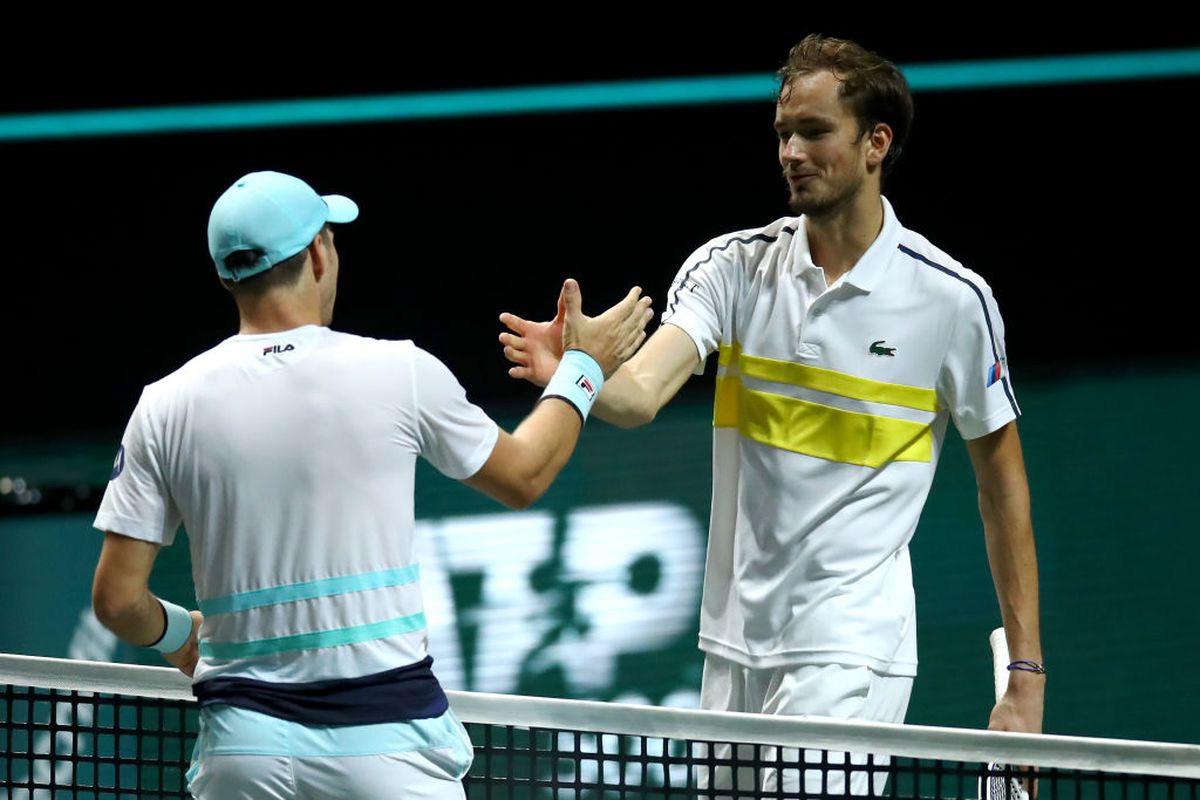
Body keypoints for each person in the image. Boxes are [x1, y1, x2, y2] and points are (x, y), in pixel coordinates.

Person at [499, 35, 1044, 794]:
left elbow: (1003, 490)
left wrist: (1026, 675)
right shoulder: (731, 268)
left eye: (815, 133)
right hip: (733, 648)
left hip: (850, 646)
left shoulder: (951, 300)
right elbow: (642, 394)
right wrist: (580, 374)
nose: (790, 151)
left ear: (875, 144)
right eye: (784, 133)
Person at [90, 170, 653, 800]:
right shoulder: (399, 371)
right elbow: (525, 475)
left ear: (228, 276)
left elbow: (116, 600)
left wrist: (177, 634)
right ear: (317, 254)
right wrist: (582, 368)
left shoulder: (164, 405)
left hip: (241, 758)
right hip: (386, 754)